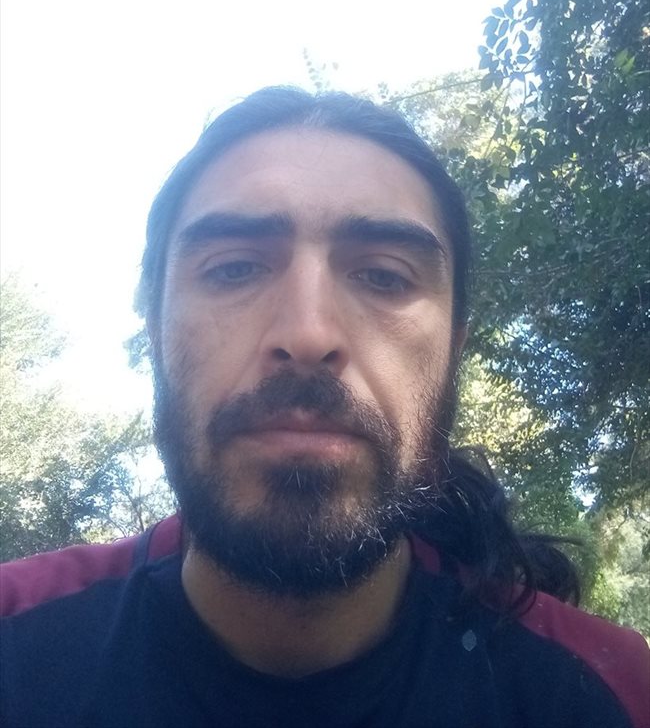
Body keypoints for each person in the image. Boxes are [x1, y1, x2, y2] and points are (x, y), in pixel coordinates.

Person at [1, 87, 648, 728]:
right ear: (155, 333)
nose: (308, 334)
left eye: (384, 275)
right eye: (233, 269)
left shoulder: (614, 696)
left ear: (453, 353)